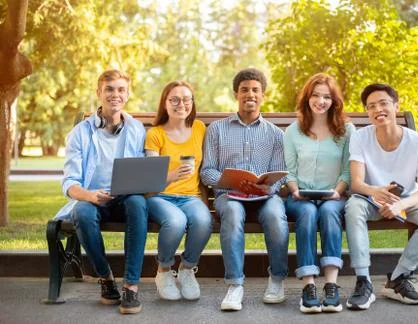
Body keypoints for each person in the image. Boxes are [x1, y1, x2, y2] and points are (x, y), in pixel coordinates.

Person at [54, 70, 148, 314]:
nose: (114, 94)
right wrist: (91, 195)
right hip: (91, 198)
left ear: (127, 95)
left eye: (120, 90)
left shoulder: (136, 129)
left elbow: (142, 170)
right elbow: (70, 184)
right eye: (109, 89)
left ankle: (131, 285)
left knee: (138, 204)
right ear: (99, 93)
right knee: (82, 214)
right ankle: (106, 278)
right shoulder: (80, 133)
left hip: (126, 197)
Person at [344, 83, 418, 310]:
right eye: (371, 106)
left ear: (396, 106)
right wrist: (375, 191)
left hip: (406, 199)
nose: (378, 109)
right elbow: (357, 183)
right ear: (367, 112)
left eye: (383, 103)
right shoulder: (360, 138)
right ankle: (363, 281)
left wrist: (401, 203)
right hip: (369, 199)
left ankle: (398, 278)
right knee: (353, 207)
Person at [200, 68, 289, 311]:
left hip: (264, 196)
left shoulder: (276, 135)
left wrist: (266, 187)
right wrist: (232, 182)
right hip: (229, 195)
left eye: (255, 90)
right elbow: (207, 171)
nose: (250, 94)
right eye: (244, 90)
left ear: (263, 95)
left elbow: (280, 175)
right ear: (235, 94)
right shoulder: (216, 130)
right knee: (233, 213)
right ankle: (235, 285)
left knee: (274, 216)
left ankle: (277, 279)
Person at [284, 73, 354, 313]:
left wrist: (338, 192)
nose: (320, 101)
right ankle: (309, 287)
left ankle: (332, 287)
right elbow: (289, 172)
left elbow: (347, 170)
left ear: (334, 101)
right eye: (315, 95)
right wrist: (294, 191)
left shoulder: (346, 131)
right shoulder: (293, 131)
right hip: (299, 197)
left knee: (329, 212)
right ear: (307, 98)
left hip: (334, 196)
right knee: (307, 213)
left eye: (326, 96)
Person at [145, 81, 212, 301]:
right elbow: (151, 180)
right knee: (175, 221)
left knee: (203, 221)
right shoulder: (156, 134)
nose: (180, 104)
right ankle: (163, 271)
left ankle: (186, 269)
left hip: (190, 197)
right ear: (165, 103)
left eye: (186, 99)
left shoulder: (200, 129)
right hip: (160, 196)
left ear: (192, 103)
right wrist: (172, 176)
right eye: (174, 99)